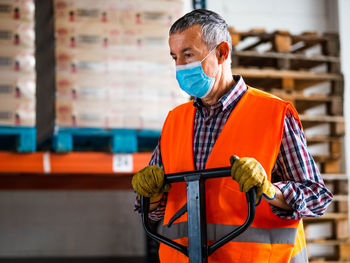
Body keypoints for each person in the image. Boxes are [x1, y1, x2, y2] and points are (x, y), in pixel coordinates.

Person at [132, 9, 333, 263]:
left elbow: (316, 196)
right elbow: (155, 210)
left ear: (222, 52)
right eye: (175, 58)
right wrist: (151, 195)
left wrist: (271, 190)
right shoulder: (175, 120)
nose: (180, 67)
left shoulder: (273, 114)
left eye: (189, 55)